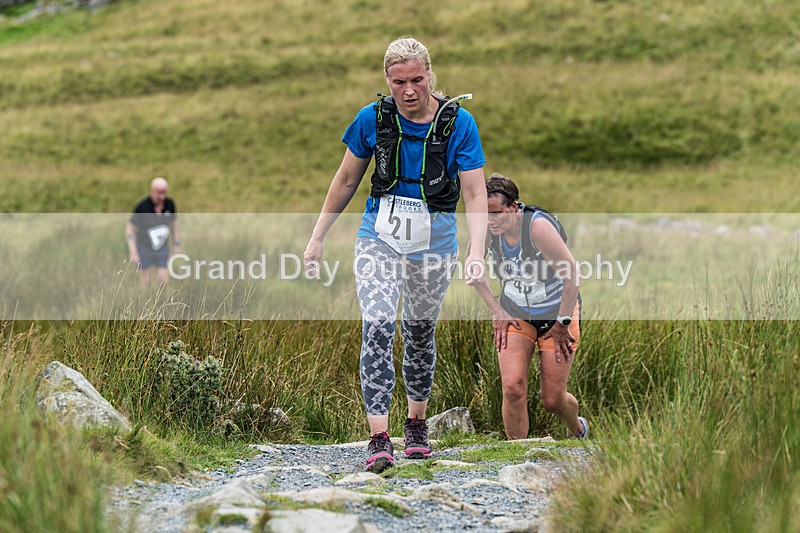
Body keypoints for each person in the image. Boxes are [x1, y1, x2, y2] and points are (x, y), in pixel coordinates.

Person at [304, 37, 487, 473]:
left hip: (435, 244)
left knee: (420, 332)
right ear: (387, 80)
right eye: (398, 81)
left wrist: (476, 251)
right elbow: (346, 180)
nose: (408, 90)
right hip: (378, 238)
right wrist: (317, 237)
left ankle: (417, 425)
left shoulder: (459, 124)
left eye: (417, 80)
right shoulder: (372, 118)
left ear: (430, 76)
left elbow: (476, 193)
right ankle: (379, 437)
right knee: (378, 324)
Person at [470, 173, 588, 441]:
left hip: (557, 312)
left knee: (553, 400)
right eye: (485, 214)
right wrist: (497, 312)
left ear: (514, 207)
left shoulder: (537, 228)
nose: (491, 221)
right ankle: (517, 455)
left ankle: (577, 428)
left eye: (497, 213)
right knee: (512, 387)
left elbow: (573, 276)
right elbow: (474, 271)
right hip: (515, 312)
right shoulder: (485, 228)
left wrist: (562, 323)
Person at [125, 177, 180, 286]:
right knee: (146, 281)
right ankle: (147, 302)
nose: (162, 196)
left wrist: (176, 243)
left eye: (164, 193)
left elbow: (173, 224)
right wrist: (133, 251)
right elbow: (130, 228)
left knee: (163, 280)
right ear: (152, 191)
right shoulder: (142, 207)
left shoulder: (169, 204)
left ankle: (161, 302)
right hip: (144, 246)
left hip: (161, 247)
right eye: (159, 193)